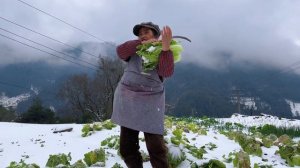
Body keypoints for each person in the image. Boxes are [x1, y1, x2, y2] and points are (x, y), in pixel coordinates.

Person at [111, 21, 174, 168]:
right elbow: (120, 51)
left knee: (156, 148)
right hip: (129, 101)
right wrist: (141, 42)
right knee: (127, 147)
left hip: (151, 103)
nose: (142, 35)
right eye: (140, 33)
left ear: (157, 36)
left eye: (146, 32)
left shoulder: (163, 51)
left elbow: (166, 72)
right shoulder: (134, 49)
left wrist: (165, 48)